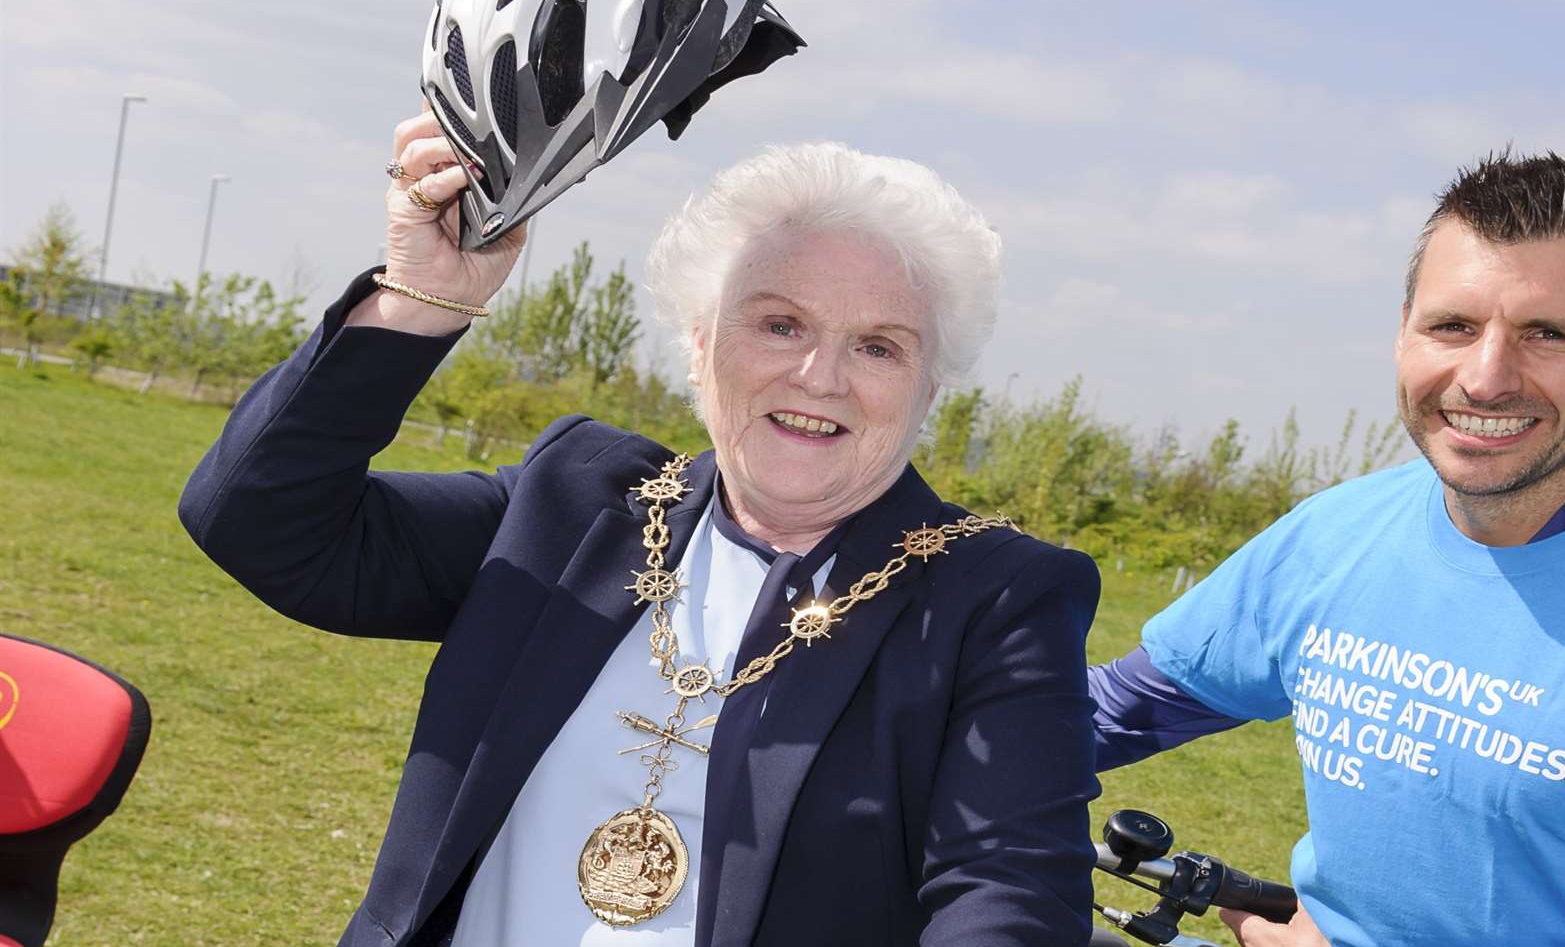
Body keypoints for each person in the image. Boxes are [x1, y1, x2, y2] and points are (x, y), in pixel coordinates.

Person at [178, 119, 1101, 946]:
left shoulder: (994, 599)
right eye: (780, 324)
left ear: (929, 388)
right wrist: (419, 300)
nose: (821, 377)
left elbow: (1008, 898)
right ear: (699, 344)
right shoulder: (579, 506)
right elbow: (259, 520)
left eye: (879, 346)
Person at [1090, 152, 1565, 947]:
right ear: (1403, 334)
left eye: (1548, 334)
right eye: (1453, 326)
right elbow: (1114, 710)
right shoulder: (1336, 531)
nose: (1487, 378)